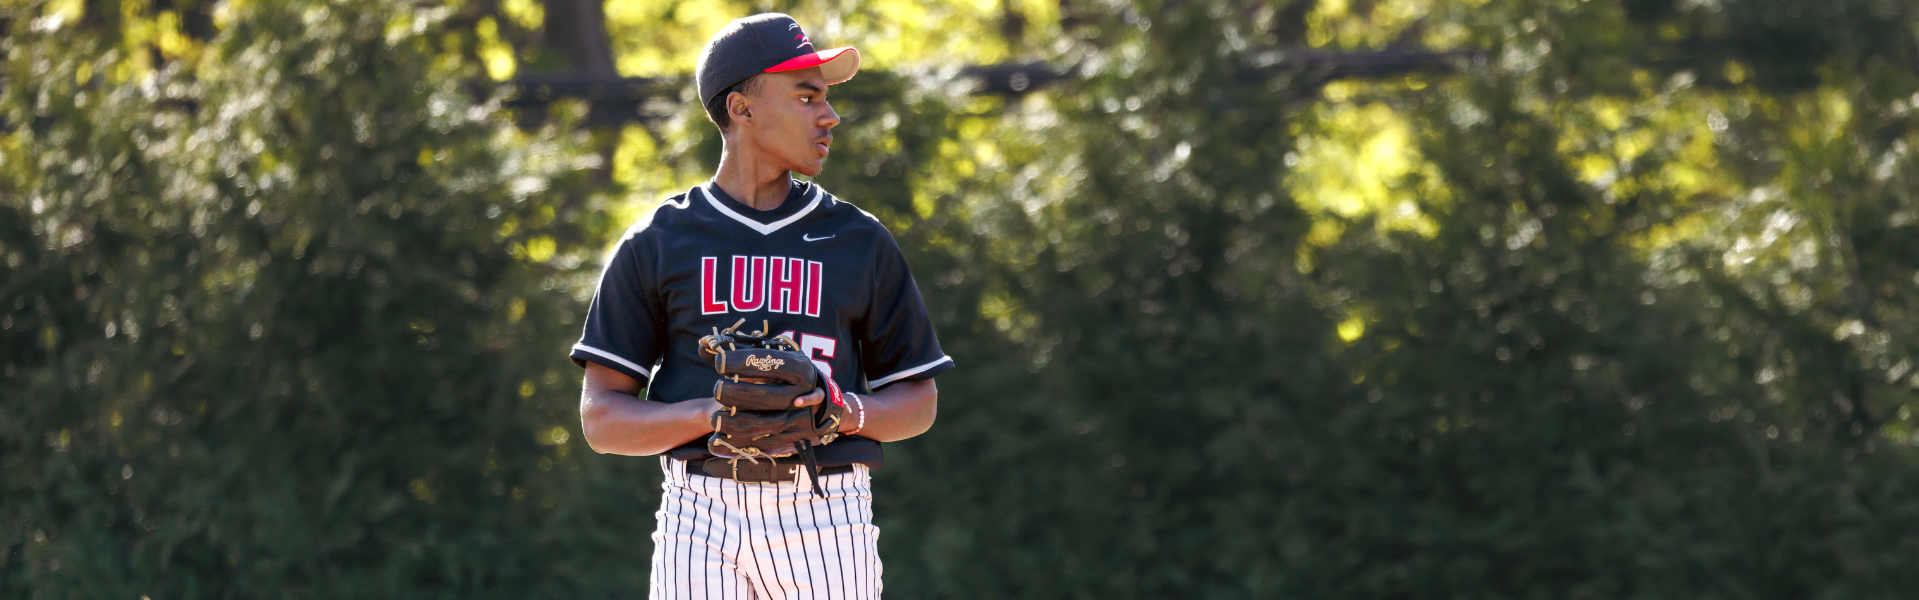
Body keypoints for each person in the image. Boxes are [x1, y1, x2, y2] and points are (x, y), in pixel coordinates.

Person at [569, 13, 953, 599]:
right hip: (698, 507)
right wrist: (713, 416)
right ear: (741, 108)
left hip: (823, 508)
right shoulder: (660, 240)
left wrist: (840, 410)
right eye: (806, 96)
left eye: (825, 98)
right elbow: (602, 418)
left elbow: (918, 401)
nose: (829, 115)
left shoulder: (857, 239)